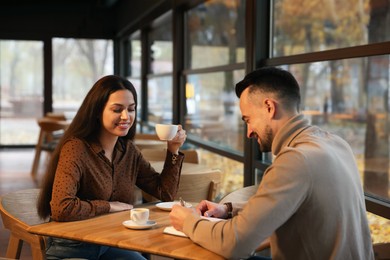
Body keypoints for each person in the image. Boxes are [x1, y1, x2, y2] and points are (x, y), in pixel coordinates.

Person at [169, 67, 374, 260]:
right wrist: (229, 209)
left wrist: (188, 221)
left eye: (248, 119)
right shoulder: (336, 143)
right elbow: (291, 202)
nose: (248, 132)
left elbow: (235, 244)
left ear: (269, 107)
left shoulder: (296, 160)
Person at [37, 75, 187, 260]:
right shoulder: (76, 148)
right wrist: (108, 206)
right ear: (97, 111)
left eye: (131, 109)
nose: (126, 116)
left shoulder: (129, 151)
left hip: (112, 241)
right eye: (117, 109)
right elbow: (61, 208)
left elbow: (165, 193)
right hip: (74, 246)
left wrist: (173, 150)